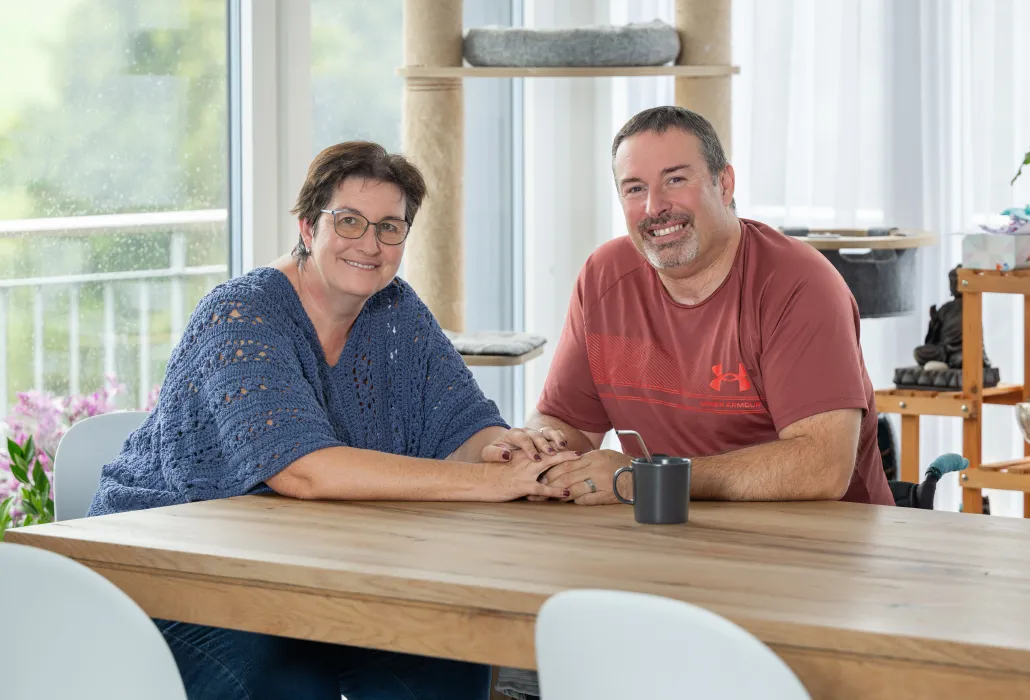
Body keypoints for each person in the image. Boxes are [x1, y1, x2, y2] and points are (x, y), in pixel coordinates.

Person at [86, 140, 577, 700]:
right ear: (306, 226)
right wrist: (488, 483)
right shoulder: (241, 314)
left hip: (310, 575)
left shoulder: (397, 309)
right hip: (173, 577)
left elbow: (464, 426)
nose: (370, 243)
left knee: (444, 662)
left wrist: (508, 451)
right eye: (349, 221)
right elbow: (302, 472)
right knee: (292, 683)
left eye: (390, 227)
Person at [491, 105, 894, 508]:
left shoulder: (799, 284)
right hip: (675, 534)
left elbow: (822, 467)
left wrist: (641, 478)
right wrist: (540, 450)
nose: (654, 207)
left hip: (825, 550)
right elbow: (569, 424)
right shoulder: (603, 277)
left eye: (676, 180)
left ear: (724, 184)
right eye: (634, 189)